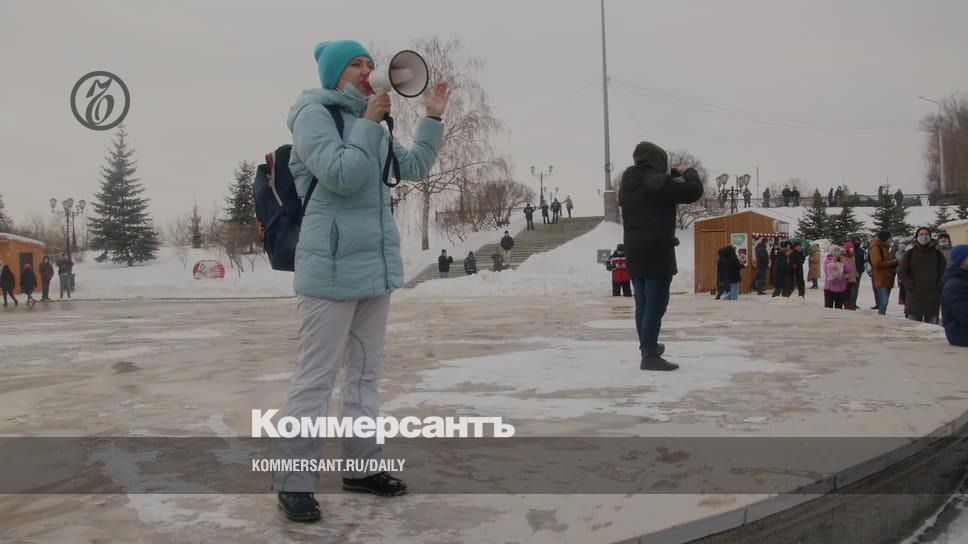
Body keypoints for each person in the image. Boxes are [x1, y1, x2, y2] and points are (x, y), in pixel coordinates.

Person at [272, 39, 449, 522]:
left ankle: (362, 466)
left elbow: (413, 168)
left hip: (374, 267)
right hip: (329, 269)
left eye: (371, 63)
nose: (368, 70)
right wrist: (370, 123)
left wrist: (431, 119)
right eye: (356, 64)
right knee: (316, 378)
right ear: (335, 75)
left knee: (365, 373)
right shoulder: (314, 115)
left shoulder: (373, 120)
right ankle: (293, 481)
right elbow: (341, 175)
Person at [618, 141, 704, 371]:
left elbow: (655, 191)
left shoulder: (628, 181)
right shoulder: (656, 182)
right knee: (655, 305)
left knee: (643, 304)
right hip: (656, 252)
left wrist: (670, 178)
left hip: (635, 251)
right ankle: (649, 356)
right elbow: (694, 191)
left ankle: (648, 347)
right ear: (658, 160)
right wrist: (688, 172)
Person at [900, 227, 946, 324]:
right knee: (913, 329)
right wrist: (909, 285)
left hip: (932, 297)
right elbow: (903, 272)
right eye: (921, 234)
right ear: (916, 237)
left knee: (931, 329)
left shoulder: (937, 254)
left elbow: (943, 272)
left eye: (926, 234)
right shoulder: (909, 254)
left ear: (930, 236)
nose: (924, 236)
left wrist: (938, 286)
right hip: (914, 296)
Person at [941, 245, 968, 347]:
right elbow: (964, 316)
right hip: (960, 334)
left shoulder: (964, 279)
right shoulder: (955, 284)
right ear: (962, 260)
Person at [869, 230, 899, 316]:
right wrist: (893, 262)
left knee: (884, 302)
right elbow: (877, 263)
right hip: (881, 278)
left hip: (887, 278)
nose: (891, 240)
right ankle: (881, 318)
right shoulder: (876, 248)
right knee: (883, 302)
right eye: (889, 238)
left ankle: (882, 316)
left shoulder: (885, 248)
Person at [851, 236, 866, 309]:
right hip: (857, 270)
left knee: (853, 287)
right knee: (855, 287)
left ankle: (852, 302)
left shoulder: (852, 251)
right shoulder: (861, 251)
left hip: (854, 270)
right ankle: (853, 302)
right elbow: (863, 261)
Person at [842, 242, 859, 309]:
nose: (852, 249)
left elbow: (854, 266)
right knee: (846, 291)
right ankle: (846, 304)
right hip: (846, 276)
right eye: (850, 248)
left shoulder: (852, 256)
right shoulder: (843, 256)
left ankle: (850, 303)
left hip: (852, 276)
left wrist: (856, 274)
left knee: (850, 291)